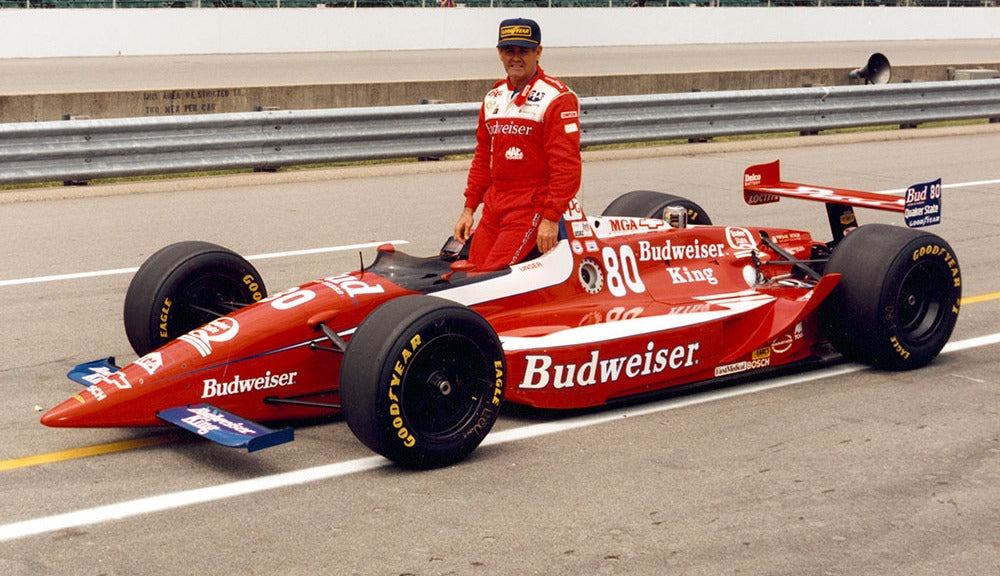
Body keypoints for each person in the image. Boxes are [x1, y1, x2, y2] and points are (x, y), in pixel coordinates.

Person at [452, 18, 582, 271]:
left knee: (491, 276)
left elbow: (566, 167)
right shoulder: (494, 96)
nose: (516, 58)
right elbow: (482, 158)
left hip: (532, 205)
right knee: (470, 270)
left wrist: (551, 219)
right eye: (509, 50)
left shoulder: (557, 98)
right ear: (500, 53)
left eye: (524, 50)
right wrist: (468, 209)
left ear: (538, 52)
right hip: (495, 205)